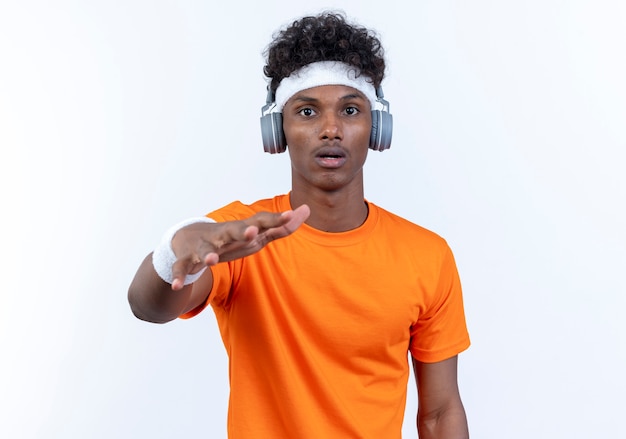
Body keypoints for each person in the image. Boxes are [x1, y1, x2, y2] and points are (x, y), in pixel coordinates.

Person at [128, 11, 470, 439]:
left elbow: (439, 413)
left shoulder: (427, 256)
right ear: (279, 129)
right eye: (307, 111)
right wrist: (174, 251)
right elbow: (148, 307)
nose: (330, 129)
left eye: (349, 109)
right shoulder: (240, 235)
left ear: (376, 127)